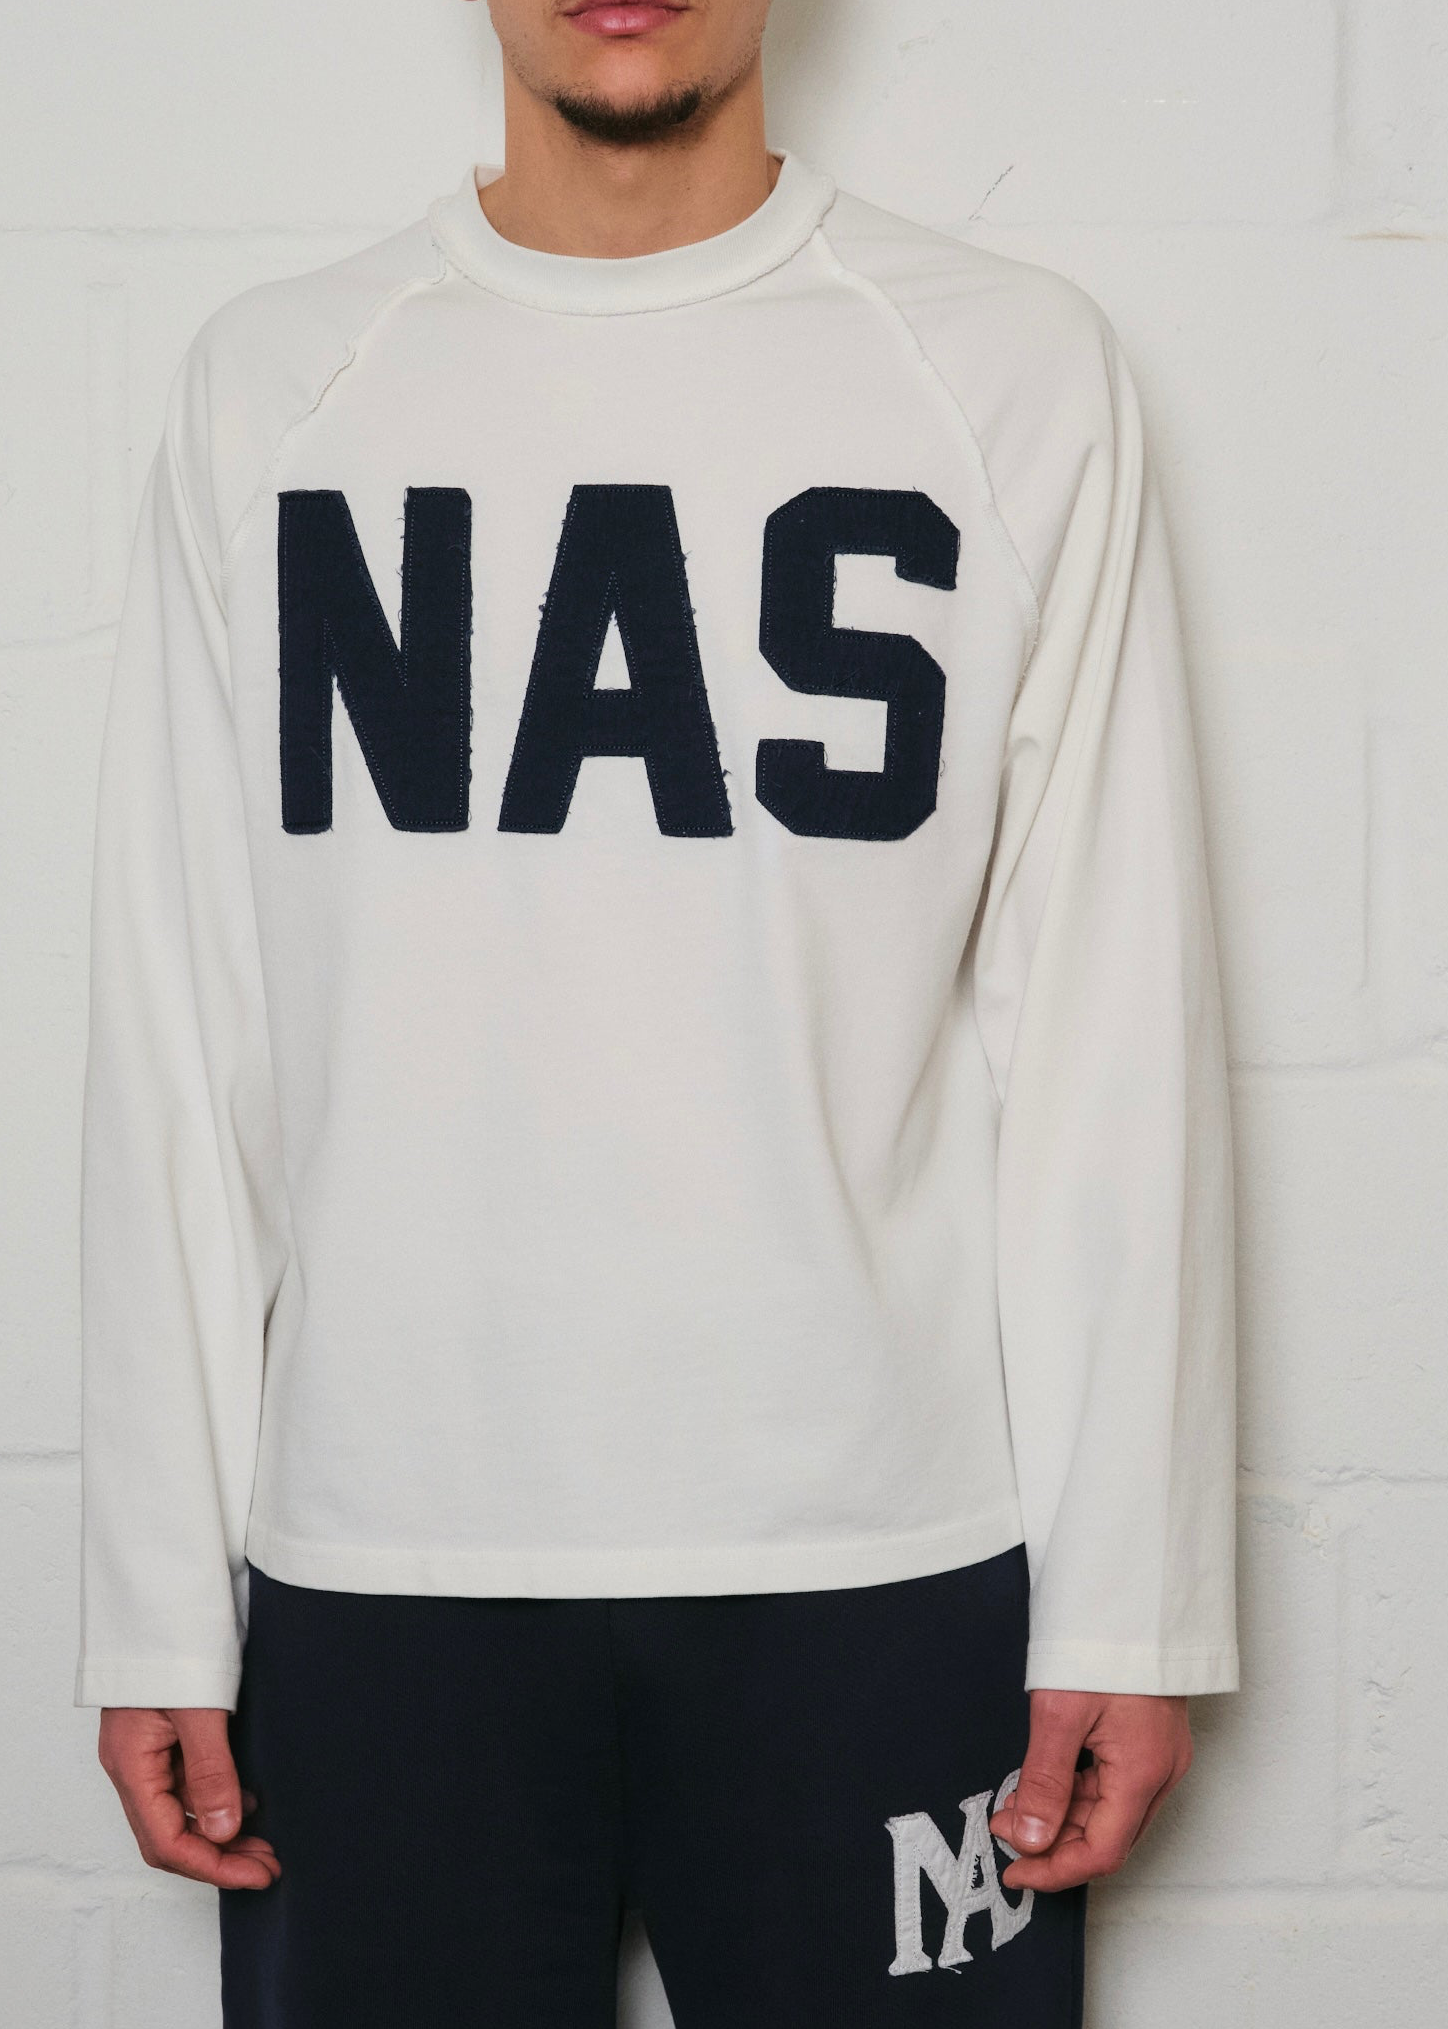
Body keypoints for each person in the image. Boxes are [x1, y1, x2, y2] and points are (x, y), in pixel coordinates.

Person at [74, 2, 1238, 2022]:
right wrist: (154, 1596)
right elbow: (186, 1020)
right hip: (380, 1565)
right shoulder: (275, 385)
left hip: (880, 1559)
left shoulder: (1006, 369)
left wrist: (1132, 1602)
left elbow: (1106, 1018)